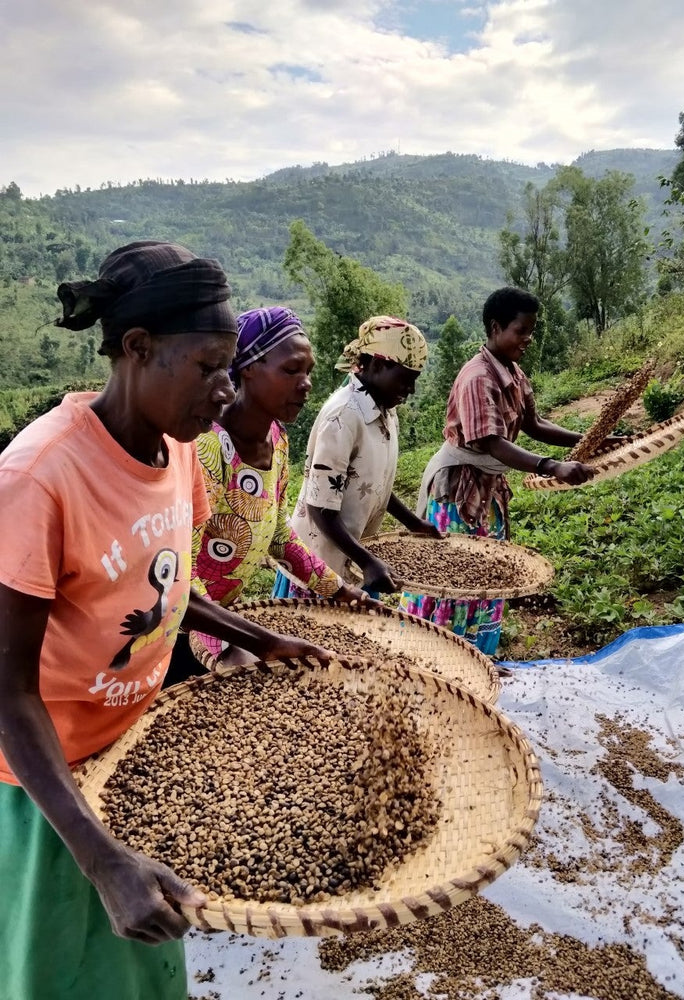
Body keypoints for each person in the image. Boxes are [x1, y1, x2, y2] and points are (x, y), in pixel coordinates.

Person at [0, 241, 332, 1000]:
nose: (225, 389)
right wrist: (99, 856)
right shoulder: (38, 478)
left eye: (229, 368)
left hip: (132, 756)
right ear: (138, 349)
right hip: (42, 788)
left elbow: (168, 592)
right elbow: (7, 691)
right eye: (209, 367)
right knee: (54, 971)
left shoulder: (176, 451)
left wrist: (260, 636)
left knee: (146, 965)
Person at [167, 306, 369, 682]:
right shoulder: (209, 448)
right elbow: (181, 579)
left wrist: (339, 591)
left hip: (228, 620)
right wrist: (234, 644)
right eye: (291, 370)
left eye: (308, 372)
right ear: (247, 368)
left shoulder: (277, 440)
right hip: (178, 633)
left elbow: (278, 535)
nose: (306, 383)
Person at [399, 286, 596, 656]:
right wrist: (551, 466)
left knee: (488, 576)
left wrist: (592, 437)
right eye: (521, 331)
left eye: (531, 331)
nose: (528, 339)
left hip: (489, 489)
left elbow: (534, 423)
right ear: (495, 327)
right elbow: (490, 442)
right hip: (459, 491)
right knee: (454, 579)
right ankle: (431, 659)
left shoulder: (513, 373)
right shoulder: (478, 378)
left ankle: (478, 658)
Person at [276, 315, 440, 598]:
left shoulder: (386, 411)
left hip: (356, 557)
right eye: (405, 380)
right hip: (321, 567)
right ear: (377, 365)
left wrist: (413, 522)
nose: (410, 391)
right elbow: (320, 508)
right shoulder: (343, 417)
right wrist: (368, 561)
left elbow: (375, 484)